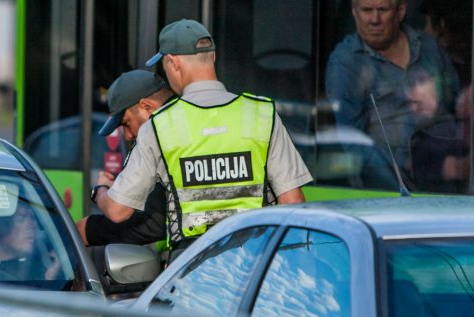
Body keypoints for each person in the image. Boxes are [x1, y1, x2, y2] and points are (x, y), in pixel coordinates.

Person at [91, 19, 312, 254]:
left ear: (174, 63)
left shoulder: (159, 126)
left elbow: (117, 211)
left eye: (164, 66)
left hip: (191, 270)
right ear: (213, 57)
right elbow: (293, 202)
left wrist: (101, 191)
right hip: (252, 263)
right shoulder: (261, 114)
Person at [325, 0, 460, 174]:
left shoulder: (429, 46)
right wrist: (392, 182)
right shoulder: (346, 62)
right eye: (366, 10)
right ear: (354, 13)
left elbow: (456, 103)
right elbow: (352, 141)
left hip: (452, 166)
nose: (374, 19)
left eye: (382, 10)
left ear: (401, 11)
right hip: (398, 180)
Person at [76, 70, 173, 246]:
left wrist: (100, 191)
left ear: (147, 107)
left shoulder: (156, 134)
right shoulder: (189, 121)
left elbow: (118, 211)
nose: (128, 136)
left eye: (127, 123)